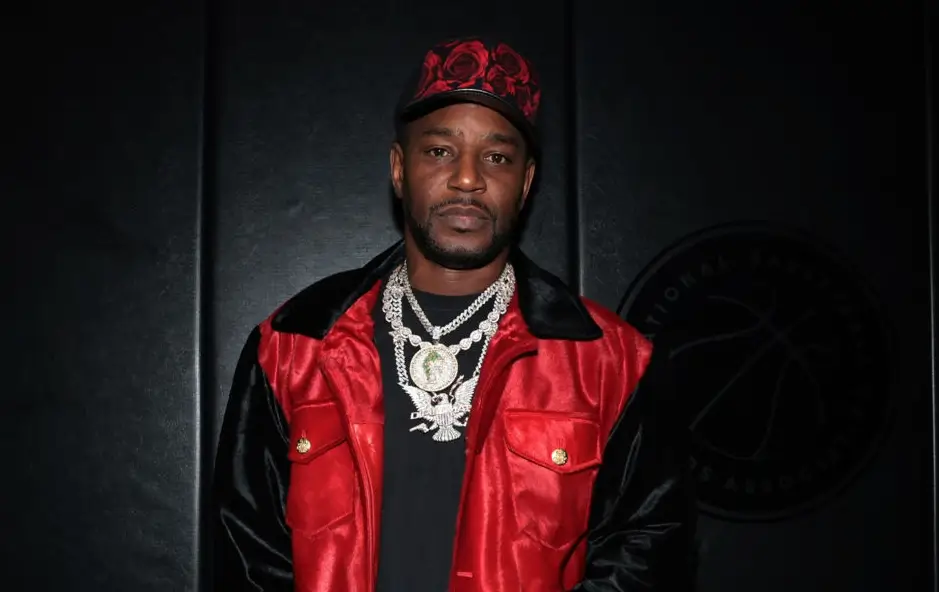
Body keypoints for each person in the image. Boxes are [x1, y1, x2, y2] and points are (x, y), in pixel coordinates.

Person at [212, 36, 696, 592]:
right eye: (440, 151)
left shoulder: (610, 362)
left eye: (497, 157)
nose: (468, 179)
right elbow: (247, 556)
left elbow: (649, 553)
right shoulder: (294, 346)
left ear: (527, 182)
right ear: (399, 168)